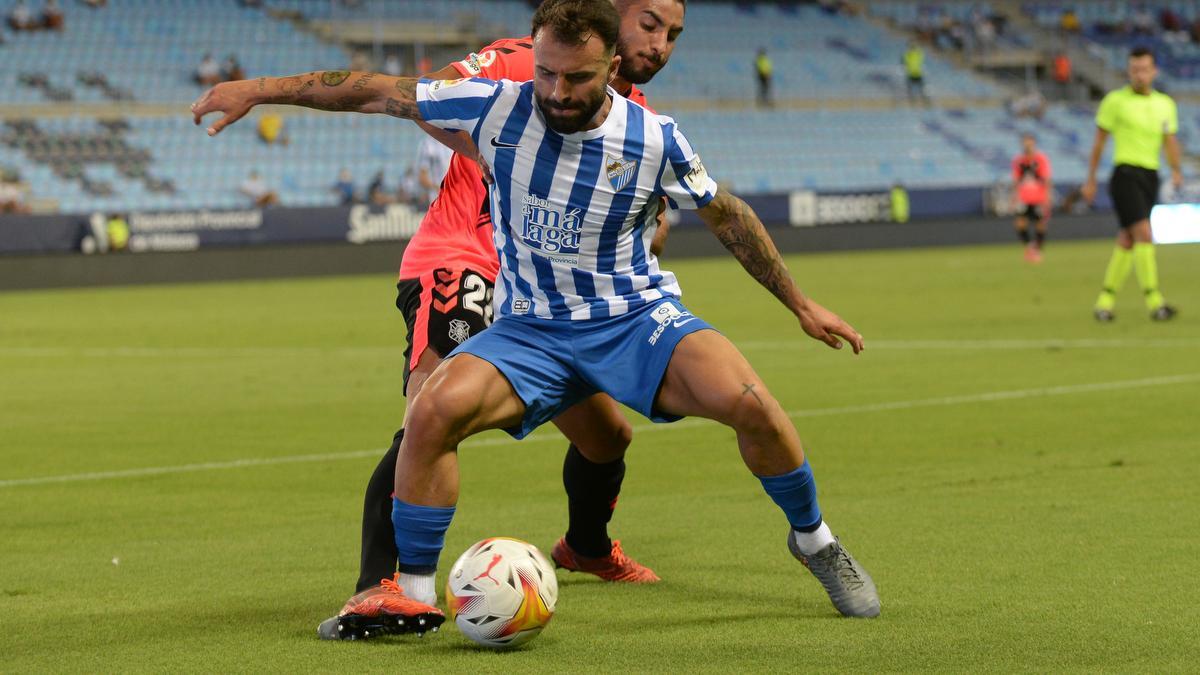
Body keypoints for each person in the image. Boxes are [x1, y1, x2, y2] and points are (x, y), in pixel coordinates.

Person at [193, 0, 881, 636]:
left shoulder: (653, 136)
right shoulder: (497, 106)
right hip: (532, 333)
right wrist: (256, 90)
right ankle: (408, 590)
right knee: (431, 413)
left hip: (633, 320)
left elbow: (725, 213)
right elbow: (375, 89)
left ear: (609, 69)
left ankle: (815, 541)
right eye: (546, 72)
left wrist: (799, 302)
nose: (555, 92)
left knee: (751, 404)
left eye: (575, 78)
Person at [1082, 47, 1181, 322]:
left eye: (1145, 69)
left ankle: (1105, 302)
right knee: (1144, 233)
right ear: (1129, 72)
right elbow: (1099, 142)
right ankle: (1155, 301)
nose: (1140, 74)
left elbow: (1169, 140)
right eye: (1135, 69)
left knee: (1127, 239)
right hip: (1125, 174)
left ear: (1154, 71)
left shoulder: (1165, 104)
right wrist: (1090, 179)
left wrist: (1175, 169)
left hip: (1151, 175)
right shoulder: (1115, 101)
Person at [1011, 133, 1052, 262]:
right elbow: (1016, 180)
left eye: (1029, 142)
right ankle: (1030, 247)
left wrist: (1047, 197)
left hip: (1038, 197)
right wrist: (1014, 196)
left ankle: (1037, 251)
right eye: (1025, 142)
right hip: (1024, 197)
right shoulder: (1018, 161)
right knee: (1020, 224)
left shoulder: (1041, 159)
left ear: (1034, 143)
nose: (1027, 144)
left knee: (1040, 224)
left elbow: (1046, 179)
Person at [413, 135, 452, 207]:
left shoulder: (453, 141)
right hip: (436, 200)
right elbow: (422, 178)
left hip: (452, 199)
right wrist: (440, 189)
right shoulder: (427, 145)